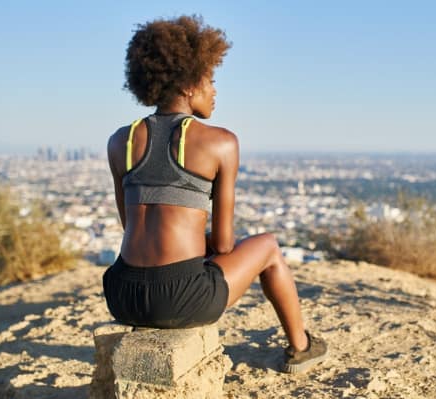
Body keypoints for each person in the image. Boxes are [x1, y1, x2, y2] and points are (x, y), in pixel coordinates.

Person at [102, 15, 327, 374]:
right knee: (267, 245)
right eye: (211, 79)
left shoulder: (121, 141)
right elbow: (223, 246)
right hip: (178, 299)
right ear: (190, 84)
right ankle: (302, 347)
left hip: (121, 294)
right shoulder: (220, 142)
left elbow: (131, 225)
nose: (215, 90)